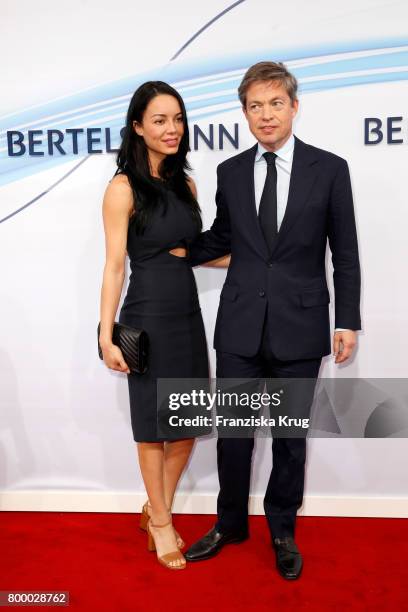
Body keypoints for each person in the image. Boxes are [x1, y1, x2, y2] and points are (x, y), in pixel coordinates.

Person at [185, 62, 361, 579]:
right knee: (234, 435)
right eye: (255, 106)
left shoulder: (329, 169)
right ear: (244, 113)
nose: (266, 115)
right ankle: (229, 523)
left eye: (275, 103)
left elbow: (344, 253)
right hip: (240, 323)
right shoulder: (231, 172)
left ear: (294, 106)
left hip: (301, 326)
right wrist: (168, 247)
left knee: (288, 437)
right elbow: (222, 239)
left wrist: (347, 319)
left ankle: (282, 529)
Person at [98, 81, 228, 570]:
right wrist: (105, 333)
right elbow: (114, 267)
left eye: (177, 118)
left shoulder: (187, 185)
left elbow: (191, 252)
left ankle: (155, 506)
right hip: (146, 320)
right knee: (153, 431)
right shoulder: (121, 189)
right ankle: (162, 522)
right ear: (137, 127)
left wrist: (258, 258)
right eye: (159, 120)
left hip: (187, 318)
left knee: (188, 427)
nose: (172, 128)